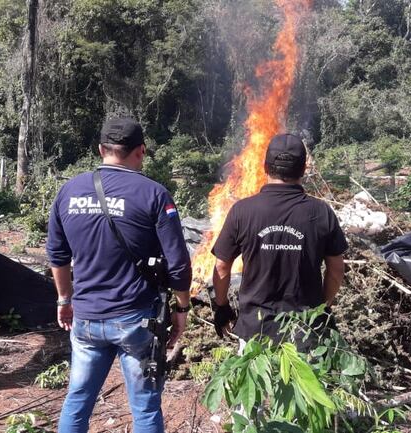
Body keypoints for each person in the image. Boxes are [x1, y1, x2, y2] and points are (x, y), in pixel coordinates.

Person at [47, 118, 192, 433]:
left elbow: (58, 256)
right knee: (145, 409)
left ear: (101, 150)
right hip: (136, 320)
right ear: (141, 151)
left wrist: (64, 299)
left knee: (77, 401)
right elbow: (179, 264)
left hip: (85, 319)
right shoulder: (155, 194)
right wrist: (182, 308)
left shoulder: (68, 191)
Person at [210, 133, 347, 343]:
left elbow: (221, 267)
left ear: (265, 167)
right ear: (303, 169)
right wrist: (322, 308)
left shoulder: (242, 211)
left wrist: (221, 306)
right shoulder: (321, 212)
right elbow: (336, 270)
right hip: (306, 332)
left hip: (256, 333)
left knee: (257, 378)